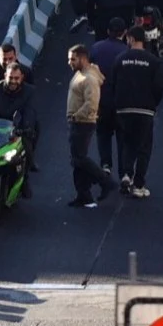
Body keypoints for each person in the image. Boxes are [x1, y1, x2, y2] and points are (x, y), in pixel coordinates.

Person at [106, 25, 163, 196]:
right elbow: (159, 86)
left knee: (127, 143)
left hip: (123, 109)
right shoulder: (153, 61)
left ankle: (126, 174)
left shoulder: (120, 59)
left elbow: (113, 83)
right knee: (144, 147)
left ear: (131, 39)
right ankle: (139, 185)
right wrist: (153, 103)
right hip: (145, 110)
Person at [65, 44, 117, 207]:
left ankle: (105, 181)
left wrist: (76, 115)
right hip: (77, 122)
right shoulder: (81, 74)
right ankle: (83, 194)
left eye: (73, 59)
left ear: (83, 59)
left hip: (82, 123)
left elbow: (92, 104)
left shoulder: (90, 79)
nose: (69, 62)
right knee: (77, 161)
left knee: (80, 159)